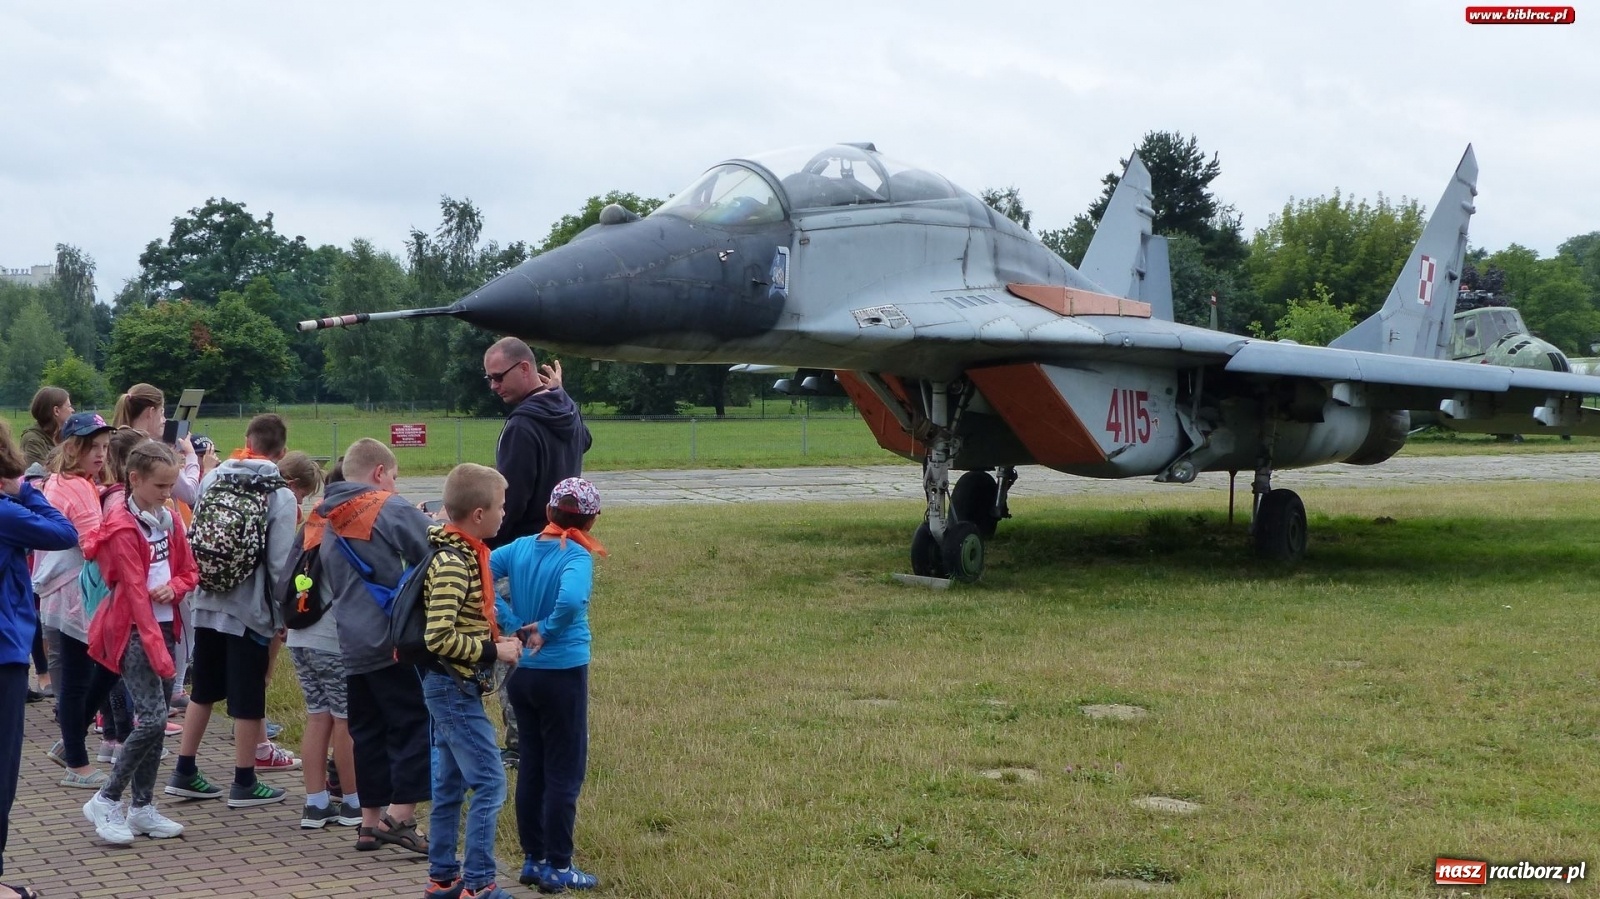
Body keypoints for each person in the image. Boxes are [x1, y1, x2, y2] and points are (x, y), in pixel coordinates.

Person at [166, 414, 298, 809]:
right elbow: (278, 565)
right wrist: (282, 614)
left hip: (206, 603)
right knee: (248, 696)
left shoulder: (214, 477)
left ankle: (184, 770)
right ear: (282, 452)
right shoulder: (280, 494)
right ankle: (244, 781)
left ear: (246, 441)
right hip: (249, 610)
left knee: (203, 690)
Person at [317, 438, 434, 854]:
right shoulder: (385, 505)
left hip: (351, 643)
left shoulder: (327, 515)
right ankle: (401, 817)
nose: (396, 488)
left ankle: (368, 823)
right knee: (414, 725)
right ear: (379, 473)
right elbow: (438, 548)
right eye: (395, 479)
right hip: (392, 643)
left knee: (368, 733)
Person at [494, 478, 607, 892]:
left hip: (523, 674)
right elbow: (574, 600)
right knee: (565, 771)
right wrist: (548, 627)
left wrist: (510, 623)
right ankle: (560, 866)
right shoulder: (575, 555)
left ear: (548, 511)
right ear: (591, 520)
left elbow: (482, 571)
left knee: (533, 767)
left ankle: (533, 859)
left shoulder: (522, 547)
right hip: (563, 673)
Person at [483, 336, 591, 765]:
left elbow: (507, 500)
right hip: (562, 547)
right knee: (552, 639)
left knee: (517, 642)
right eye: (488, 378)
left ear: (525, 369)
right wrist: (563, 393)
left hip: (520, 552)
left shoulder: (522, 425)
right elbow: (584, 442)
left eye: (498, 377)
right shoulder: (563, 408)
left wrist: (481, 539)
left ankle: (522, 742)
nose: (493, 386)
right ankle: (547, 733)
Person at [82, 441, 196, 844]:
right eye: (161, 486)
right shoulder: (122, 525)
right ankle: (106, 798)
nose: (168, 493)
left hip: (166, 628)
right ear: (135, 479)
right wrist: (158, 651)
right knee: (149, 720)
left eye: (171, 485)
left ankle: (143, 807)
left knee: (158, 719)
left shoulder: (169, 520)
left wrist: (177, 587)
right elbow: (132, 591)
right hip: (133, 631)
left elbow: (188, 570)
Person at [420, 463, 522, 899]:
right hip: (451, 687)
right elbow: (438, 636)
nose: (505, 513)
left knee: (449, 784)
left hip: (452, 685)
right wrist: (491, 651)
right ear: (478, 514)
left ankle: (442, 878)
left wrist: (508, 634)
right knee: (490, 780)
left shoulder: (463, 552)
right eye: (500, 506)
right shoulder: (453, 563)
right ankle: (479, 884)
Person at [1, 420, 78, 899]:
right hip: (4, 655)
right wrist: (26, 492)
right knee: (3, 769)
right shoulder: (7, 512)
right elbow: (63, 532)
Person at [34, 412, 117, 789]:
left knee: (99, 667)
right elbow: (91, 544)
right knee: (83, 677)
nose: (100, 454)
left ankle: (71, 745)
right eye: (91, 447)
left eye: (103, 447)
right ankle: (77, 762)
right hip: (75, 591)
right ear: (71, 447)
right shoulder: (77, 488)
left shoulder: (63, 481)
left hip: (65, 588)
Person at [279, 452, 361, 829]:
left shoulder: (313, 520)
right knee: (346, 719)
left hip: (300, 633)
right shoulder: (347, 524)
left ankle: (314, 803)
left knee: (318, 715)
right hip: (331, 638)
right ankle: (352, 800)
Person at [21, 387, 73, 468]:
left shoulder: (66, 436)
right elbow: (38, 475)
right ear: (56, 411)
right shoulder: (32, 440)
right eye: (69, 406)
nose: (72, 410)